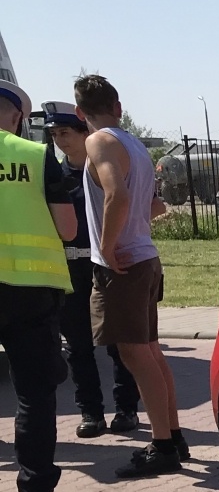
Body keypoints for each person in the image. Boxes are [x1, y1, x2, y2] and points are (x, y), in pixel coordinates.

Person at [74, 75, 188, 477]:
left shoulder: (99, 141)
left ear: (79, 112)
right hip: (144, 257)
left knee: (135, 355)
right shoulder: (135, 144)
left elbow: (116, 195)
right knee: (151, 351)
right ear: (118, 107)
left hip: (122, 263)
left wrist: (106, 246)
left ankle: (162, 446)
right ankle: (172, 436)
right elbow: (155, 205)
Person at [0, 79, 77, 492]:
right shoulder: (33, 156)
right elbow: (67, 229)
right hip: (30, 293)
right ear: (16, 117)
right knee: (33, 395)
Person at [40, 102, 140, 438]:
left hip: (103, 263)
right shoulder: (53, 174)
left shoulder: (102, 168)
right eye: (54, 134)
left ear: (85, 131)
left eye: (65, 132)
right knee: (78, 346)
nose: (59, 140)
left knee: (117, 341)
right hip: (69, 267)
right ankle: (91, 413)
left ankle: (126, 409)